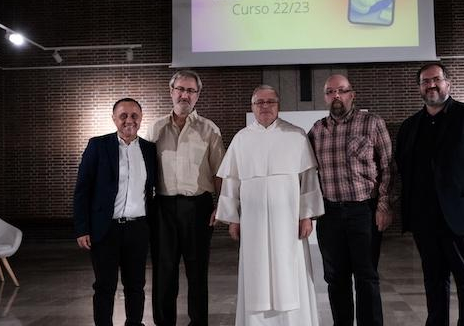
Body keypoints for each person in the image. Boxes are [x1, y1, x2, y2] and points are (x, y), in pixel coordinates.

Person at [396, 63, 464, 326]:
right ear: (418, 87)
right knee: (433, 282)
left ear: (448, 83)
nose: (431, 85)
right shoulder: (409, 126)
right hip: (424, 221)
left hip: (463, 219)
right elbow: (403, 171)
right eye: (424, 81)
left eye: (436, 80)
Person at [215, 85, 325, 326]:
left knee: (291, 267)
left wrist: (306, 215)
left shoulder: (295, 135)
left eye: (270, 102)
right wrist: (233, 218)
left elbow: (308, 179)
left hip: (288, 221)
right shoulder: (241, 138)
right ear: (252, 107)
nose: (265, 106)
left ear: (278, 105)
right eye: (259, 103)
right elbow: (231, 181)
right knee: (256, 271)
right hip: (253, 223)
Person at [308, 74, 394, 326]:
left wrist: (383, 205)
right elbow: (308, 174)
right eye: (330, 91)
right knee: (335, 279)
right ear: (325, 97)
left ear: (352, 94)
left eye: (342, 91)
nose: (336, 96)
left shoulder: (372, 123)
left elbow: (389, 167)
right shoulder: (317, 130)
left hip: (363, 212)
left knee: (366, 277)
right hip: (329, 214)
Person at [143, 70, 225, 326]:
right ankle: (164, 322)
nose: (184, 95)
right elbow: (145, 170)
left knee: (197, 271)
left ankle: (198, 322)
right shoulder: (155, 128)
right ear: (171, 91)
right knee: (164, 271)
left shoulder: (209, 129)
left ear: (198, 95)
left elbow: (220, 171)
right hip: (163, 208)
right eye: (180, 89)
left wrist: (220, 204)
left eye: (191, 91)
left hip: (198, 207)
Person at [73, 98, 158, 326]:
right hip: (105, 230)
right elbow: (82, 190)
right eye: (123, 116)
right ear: (114, 119)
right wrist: (82, 228)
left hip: (137, 229)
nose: (129, 120)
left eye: (134, 116)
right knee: (104, 286)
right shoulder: (97, 146)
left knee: (136, 285)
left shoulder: (149, 150)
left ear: (141, 118)